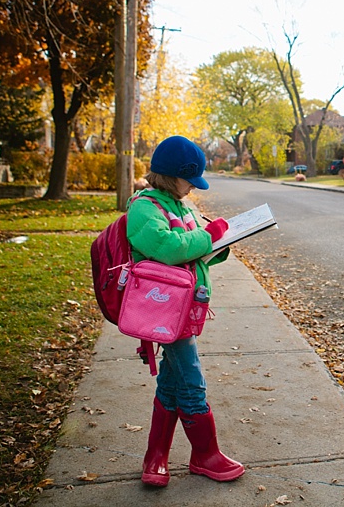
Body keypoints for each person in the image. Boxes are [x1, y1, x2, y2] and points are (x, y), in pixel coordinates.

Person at [125, 135, 244, 487]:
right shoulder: (144, 206)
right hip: (163, 309)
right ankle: (205, 456)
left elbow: (194, 247)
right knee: (191, 382)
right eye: (189, 179)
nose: (193, 187)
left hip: (184, 308)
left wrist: (220, 242)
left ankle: (155, 458)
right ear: (171, 175)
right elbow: (169, 247)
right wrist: (208, 237)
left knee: (171, 382)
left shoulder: (178, 205)